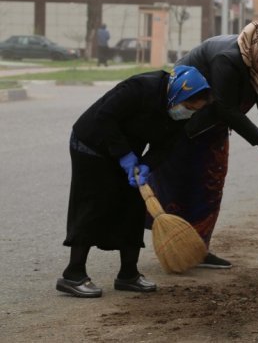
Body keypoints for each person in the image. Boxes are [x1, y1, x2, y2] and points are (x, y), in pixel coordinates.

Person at [148, 21, 258, 269]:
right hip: (185, 121)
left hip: (215, 124)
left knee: (211, 183)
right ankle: (173, 241)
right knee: (180, 182)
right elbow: (225, 108)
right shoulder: (227, 59)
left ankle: (199, 248)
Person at [57, 66, 211, 298]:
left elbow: (166, 145)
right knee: (93, 204)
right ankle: (73, 274)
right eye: (187, 107)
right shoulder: (140, 88)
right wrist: (124, 155)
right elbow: (104, 116)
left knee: (133, 207)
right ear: (178, 94)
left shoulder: (177, 111)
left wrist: (147, 164)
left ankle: (128, 274)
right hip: (92, 144)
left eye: (193, 111)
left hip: (129, 151)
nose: (187, 113)